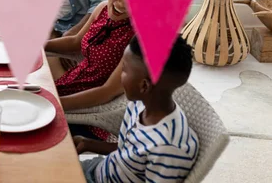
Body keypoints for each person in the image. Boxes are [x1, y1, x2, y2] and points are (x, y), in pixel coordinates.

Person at [75, 35, 199, 183]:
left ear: (144, 86)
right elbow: (128, 152)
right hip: (101, 168)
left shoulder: (167, 149)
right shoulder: (140, 103)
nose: (120, 76)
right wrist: (88, 143)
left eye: (124, 70)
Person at [46, 0, 148, 113]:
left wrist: (53, 104)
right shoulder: (101, 9)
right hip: (66, 86)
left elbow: (106, 92)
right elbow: (75, 42)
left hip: (86, 108)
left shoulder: (140, 37)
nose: (122, 2)